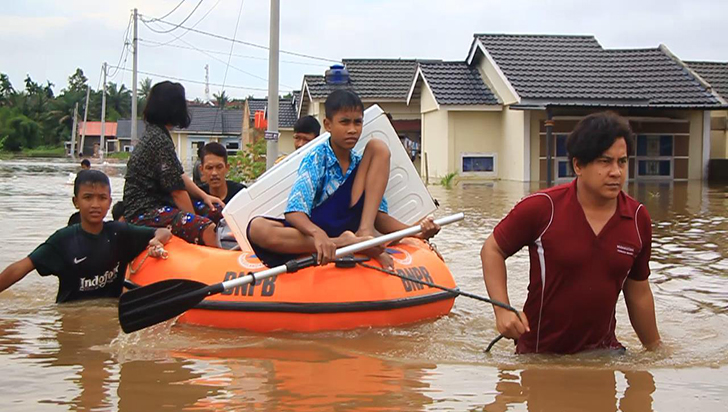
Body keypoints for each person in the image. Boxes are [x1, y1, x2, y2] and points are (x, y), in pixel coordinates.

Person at [480, 111, 661, 354]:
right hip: (539, 354)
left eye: (622, 161)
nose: (616, 172)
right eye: (604, 162)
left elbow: (638, 293)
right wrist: (502, 310)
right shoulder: (543, 208)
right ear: (578, 165)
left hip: (603, 354)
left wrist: (656, 351)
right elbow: (492, 249)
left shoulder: (638, 219)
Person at [248, 89, 439, 269]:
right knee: (257, 227)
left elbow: (380, 217)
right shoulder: (317, 158)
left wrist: (417, 233)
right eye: (345, 122)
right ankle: (348, 244)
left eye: (358, 122)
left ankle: (363, 235)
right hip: (316, 231)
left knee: (377, 147)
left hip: (350, 228)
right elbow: (294, 211)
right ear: (328, 125)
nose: (352, 130)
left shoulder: (361, 165)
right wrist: (318, 234)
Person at [0, 170, 172, 303]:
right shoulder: (62, 240)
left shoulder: (121, 233)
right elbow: (21, 268)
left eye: (102, 198)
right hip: (70, 319)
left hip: (106, 316)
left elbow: (163, 231)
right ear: (76, 202)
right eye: (88, 198)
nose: (95, 205)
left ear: (109, 202)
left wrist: (156, 241)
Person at [123, 81, 224, 247]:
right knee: (204, 227)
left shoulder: (159, 135)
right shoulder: (158, 140)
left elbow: (179, 175)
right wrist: (196, 224)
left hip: (159, 206)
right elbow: (177, 192)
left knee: (215, 211)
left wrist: (204, 196)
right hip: (143, 212)